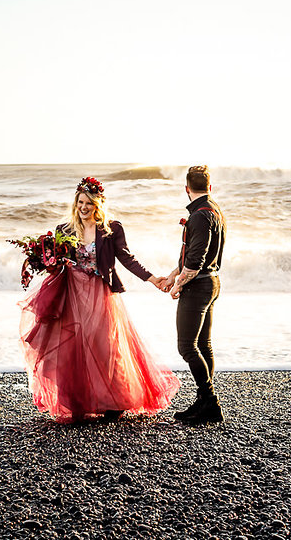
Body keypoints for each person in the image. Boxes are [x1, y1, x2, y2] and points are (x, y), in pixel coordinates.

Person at [18, 177, 180, 423]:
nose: (84, 207)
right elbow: (57, 263)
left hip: (101, 292)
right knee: (74, 347)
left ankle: (114, 401)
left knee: (106, 346)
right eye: (80, 202)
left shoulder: (111, 228)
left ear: (98, 205)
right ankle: (78, 401)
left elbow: (127, 259)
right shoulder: (64, 230)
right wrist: (43, 261)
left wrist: (152, 278)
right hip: (72, 293)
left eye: (89, 203)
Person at [161, 165, 227, 425]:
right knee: (203, 345)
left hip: (198, 286)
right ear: (209, 187)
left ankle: (210, 402)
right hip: (211, 283)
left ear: (186, 188)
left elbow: (195, 261)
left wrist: (177, 285)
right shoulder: (215, 210)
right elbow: (193, 256)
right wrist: (171, 275)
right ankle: (204, 401)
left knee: (187, 347)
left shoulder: (199, 216)